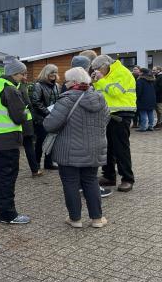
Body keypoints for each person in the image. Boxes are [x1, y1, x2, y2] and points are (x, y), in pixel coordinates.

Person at [43, 67, 110, 228]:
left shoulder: (66, 100)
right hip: (94, 148)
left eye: (66, 81)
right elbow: (106, 120)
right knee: (91, 181)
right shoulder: (100, 98)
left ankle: (75, 219)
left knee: (71, 183)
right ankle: (97, 219)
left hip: (69, 150)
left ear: (73, 82)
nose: (64, 84)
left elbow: (50, 125)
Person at [0, 56, 30, 224]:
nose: (25, 77)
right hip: (7, 140)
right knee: (7, 176)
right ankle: (8, 214)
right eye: (23, 74)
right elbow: (18, 117)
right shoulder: (10, 88)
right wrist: (26, 113)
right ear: (14, 74)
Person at [91, 55, 136, 192]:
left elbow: (116, 92)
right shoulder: (107, 74)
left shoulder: (122, 72)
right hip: (107, 114)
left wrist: (101, 80)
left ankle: (127, 179)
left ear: (105, 65)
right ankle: (109, 175)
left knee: (121, 148)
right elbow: (101, 92)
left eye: (98, 69)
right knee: (107, 147)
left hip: (122, 114)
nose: (97, 72)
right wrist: (96, 81)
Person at [31, 64, 61, 170]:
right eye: (51, 72)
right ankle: (36, 163)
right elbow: (36, 102)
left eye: (55, 72)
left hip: (53, 117)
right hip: (41, 119)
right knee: (41, 141)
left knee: (52, 140)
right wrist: (48, 113)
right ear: (46, 73)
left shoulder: (57, 86)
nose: (54, 74)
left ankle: (49, 163)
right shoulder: (38, 85)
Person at [18, 79, 41, 177]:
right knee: (28, 146)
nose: (26, 77)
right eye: (24, 74)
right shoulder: (22, 87)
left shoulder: (8, 86)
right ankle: (35, 170)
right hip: (26, 121)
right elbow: (28, 103)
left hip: (14, 122)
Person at [136, 67, 157, 131]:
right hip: (152, 98)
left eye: (139, 72)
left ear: (142, 73)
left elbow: (139, 91)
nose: (138, 73)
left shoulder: (140, 80)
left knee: (143, 112)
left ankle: (143, 127)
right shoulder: (152, 80)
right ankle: (151, 126)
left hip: (143, 99)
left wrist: (137, 97)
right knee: (150, 112)